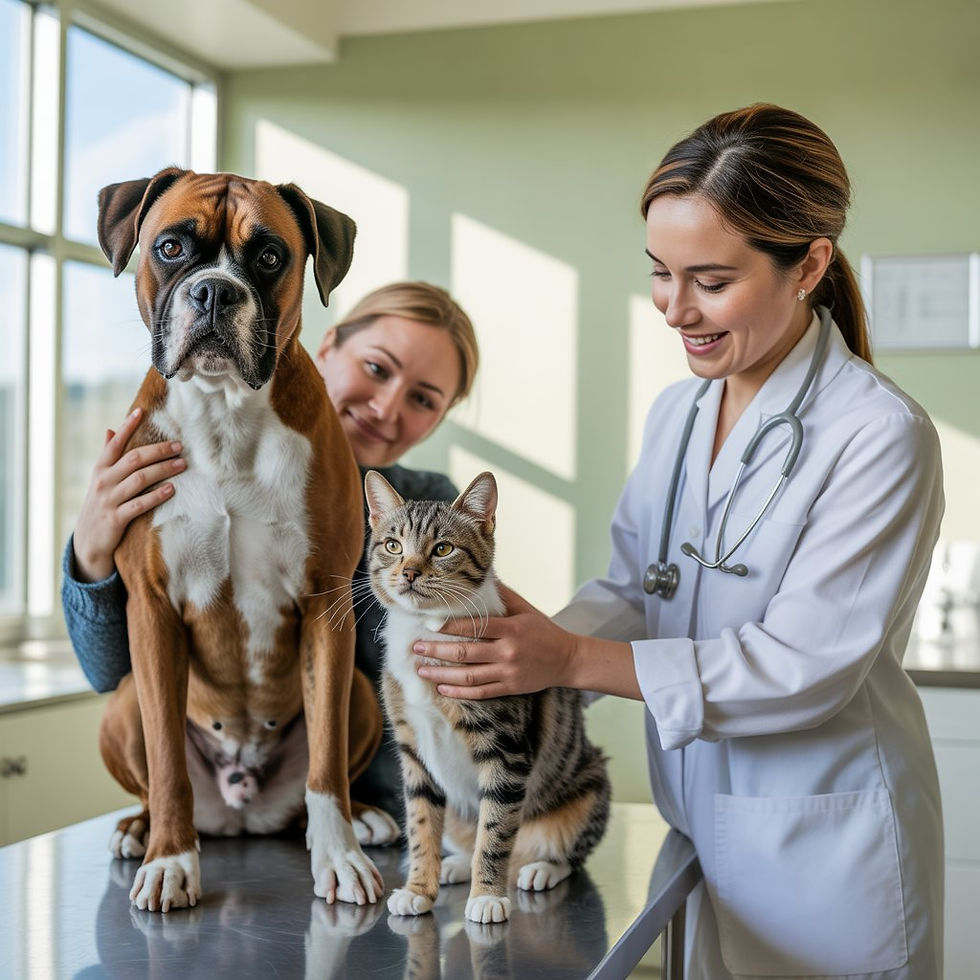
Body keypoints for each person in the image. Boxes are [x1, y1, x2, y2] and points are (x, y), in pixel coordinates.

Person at [411, 105, 944, 978]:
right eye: (660, 273)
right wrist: (517, 652)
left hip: (825, 854)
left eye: (709, 280)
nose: (673, 309)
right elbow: (635, 586)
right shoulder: (681, 411)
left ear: (809, 264)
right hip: (699, 834)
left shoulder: (879, 434)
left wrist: (571, 661)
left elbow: (804, 665)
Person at [62, 280, 479, 824]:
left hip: (374, 807)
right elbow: (114, 674)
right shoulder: (197, 471)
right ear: (324, 348)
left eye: (423, 399)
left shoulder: (431, 508)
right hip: (199, 791)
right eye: (376, 368)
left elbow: (440, 683)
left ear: (440, 417)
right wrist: (92, 552)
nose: (384, 407)